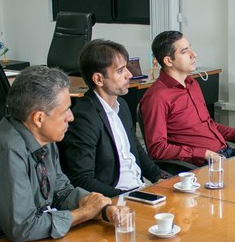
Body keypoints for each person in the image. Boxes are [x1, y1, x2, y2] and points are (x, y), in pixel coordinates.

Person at [0, 66, 117, 242]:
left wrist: (100, 207)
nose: (71, 117)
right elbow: (23, 227)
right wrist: (83, 213)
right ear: (38, 118)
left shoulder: (44, 138)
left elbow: (60, 192)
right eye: (65, 111)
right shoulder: (8, 151)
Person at [61, 39, 168, 197]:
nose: (129, 75)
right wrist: (126, 197)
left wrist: (162, 178)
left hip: (139, 190)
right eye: (120, 71)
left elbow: (136, 149)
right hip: (115, 200)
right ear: (98, 79)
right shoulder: (84, 117)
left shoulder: (121, 105)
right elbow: (82, 179)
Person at [139, 30, 235, 166]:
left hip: (223, 154)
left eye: (190, 48)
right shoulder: (157, 97)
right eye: (184, 51)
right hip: (203, 165)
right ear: (168, 61)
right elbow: (157, 149)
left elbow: (207, 125)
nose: (194, 54)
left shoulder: (192, 84)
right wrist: (203, 153)